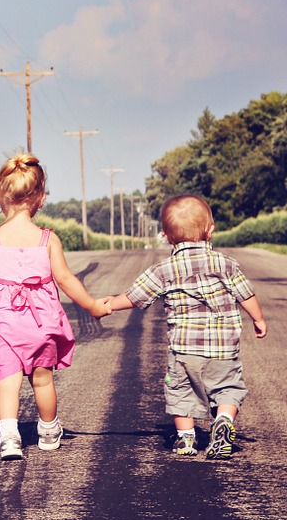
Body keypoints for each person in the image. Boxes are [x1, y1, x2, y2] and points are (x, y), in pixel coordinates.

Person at [100, 194, 267, 459]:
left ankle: (186, 440)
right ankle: (223, 420)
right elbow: (245, 294)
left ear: (166, 236)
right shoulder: (227, 264)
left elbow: (135, 296)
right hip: (224, 349)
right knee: (227, 388)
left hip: (185, 349)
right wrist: (258, 319)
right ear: (210, 230)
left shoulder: (164, 269)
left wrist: (109, 304)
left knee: (182, 392)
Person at [0, 152, 110, 460]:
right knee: (42, 377)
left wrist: (5, 289)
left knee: (8, 380)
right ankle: (49, 431)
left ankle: (9, 437)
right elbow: (65, 279)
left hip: (3, 323)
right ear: (41, 198)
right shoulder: (48, 239)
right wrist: (91, 306)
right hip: (41, 323)